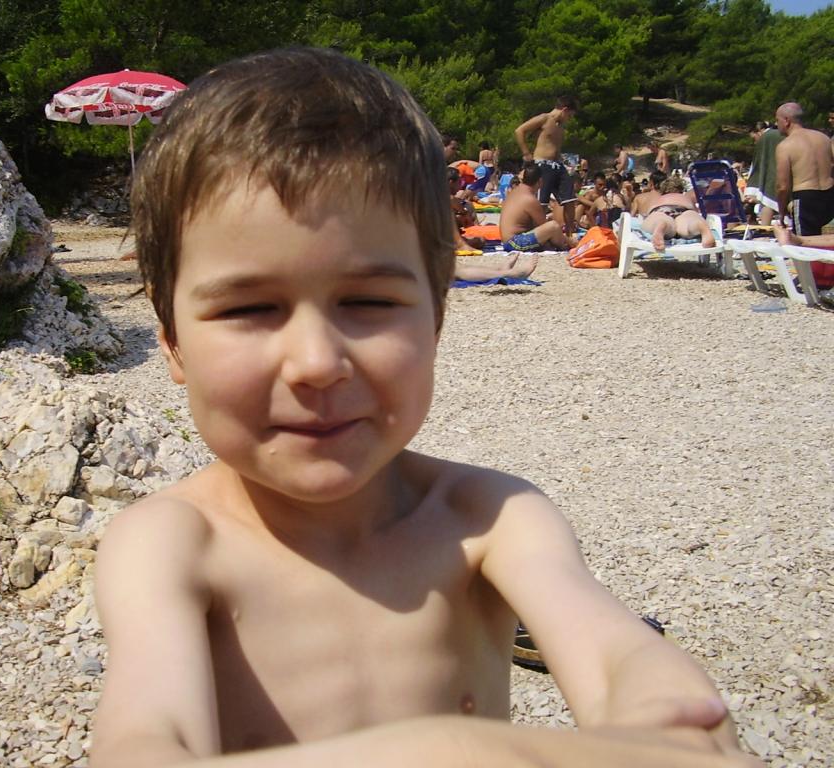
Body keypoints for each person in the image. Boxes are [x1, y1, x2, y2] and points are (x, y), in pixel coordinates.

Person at [98, 47, 759, 768]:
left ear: (435, 320)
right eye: (249, 308)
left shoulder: (490, 518)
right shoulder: (169, 547)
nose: (316, 362)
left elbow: (615, 655)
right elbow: (144, 744)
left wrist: (666, 713)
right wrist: (456, 748)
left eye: (369, 302)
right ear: (173, 342)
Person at [514, 95, 580, 235]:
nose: (569, 119)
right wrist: (526, 153)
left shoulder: (560, 126)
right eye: (569, 115)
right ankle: (539, 234)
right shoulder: (544, 118)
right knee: (542, 203)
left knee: (569, 199)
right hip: (543, 164)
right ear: (564, 110)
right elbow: (520, 130)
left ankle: (570, 233)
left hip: (558, 165)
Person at [774, 102, 834, 237]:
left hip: (806, 198)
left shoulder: (785, 146)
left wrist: (781, 213)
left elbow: (782, 187)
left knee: (804, 244)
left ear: (786, 121)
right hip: (829, 194)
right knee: (827, 242)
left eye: (777, 120)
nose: (777, 124)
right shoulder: (824, 138)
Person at [641, 176, 717, 252]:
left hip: (661, 209)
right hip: (684, 209)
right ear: (681, 190)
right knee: (689, 221)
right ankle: (699, 226)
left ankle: (661, 225)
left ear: (662, 191)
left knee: (659, 219)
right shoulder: (684, 197)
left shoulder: (659, 198)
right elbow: (696, 211)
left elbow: (647, 213)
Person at [745, 122, 783, 226]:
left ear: (759, 131)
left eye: (754, 138)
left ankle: (764, 228)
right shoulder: (775, 137)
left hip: (774, 177)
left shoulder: (767, 139)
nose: (755, 142)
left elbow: (758, 165)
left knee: (767, 200)